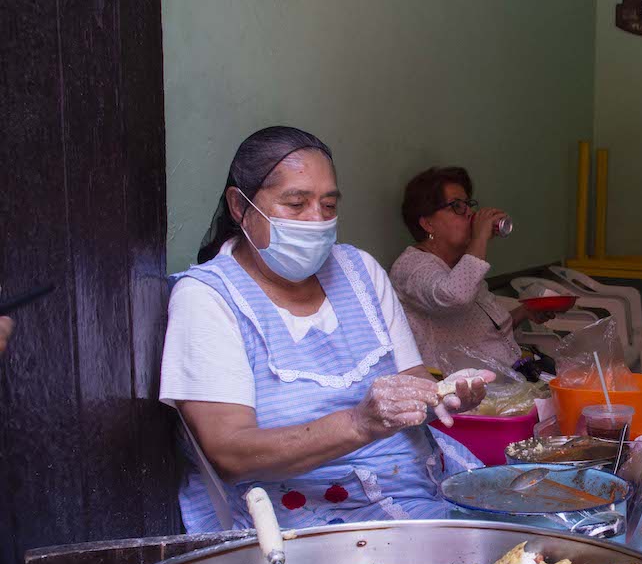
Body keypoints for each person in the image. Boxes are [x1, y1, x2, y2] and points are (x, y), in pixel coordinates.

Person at [160, 127, 493, 533]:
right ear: (239, 206)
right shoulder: (207, 299)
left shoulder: (360, 272)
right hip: (301, 519)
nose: (316, 221)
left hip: (419, 484)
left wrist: (444, 394)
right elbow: (230, 453)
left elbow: (413, 382)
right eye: (296, 204)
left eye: (329, 206)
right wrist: (358, 423)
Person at [390, 166, 554, 369]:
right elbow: (455, 297)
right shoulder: (411, 266)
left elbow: (486, 335)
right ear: (428, 224)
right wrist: (479, 237)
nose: (470, 213)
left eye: (468, 204)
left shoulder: (461, 264)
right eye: (457, 206)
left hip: (511, 374)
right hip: (467, 391)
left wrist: (525, 312)